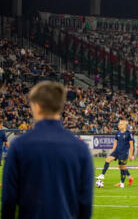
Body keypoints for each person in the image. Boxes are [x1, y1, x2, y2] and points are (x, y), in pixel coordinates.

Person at [2, 81, 93, 218]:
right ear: (60, 107)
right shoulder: (80, 148)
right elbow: (85, 203)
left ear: (37, 107)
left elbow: (9, 199)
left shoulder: (19, 146)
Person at [96, 120, 134, 188]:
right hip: (117, 151)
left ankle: (122, 183)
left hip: (124, 153)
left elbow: (131, 146)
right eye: (119, 124)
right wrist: (112, 151)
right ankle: (102, 174)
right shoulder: (118, 133)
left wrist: (131, 155)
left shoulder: (129, 134)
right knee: (108, 159)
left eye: (121, 124)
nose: (119, 125)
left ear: (125, 125)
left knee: (122, 167)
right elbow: (115, 142)